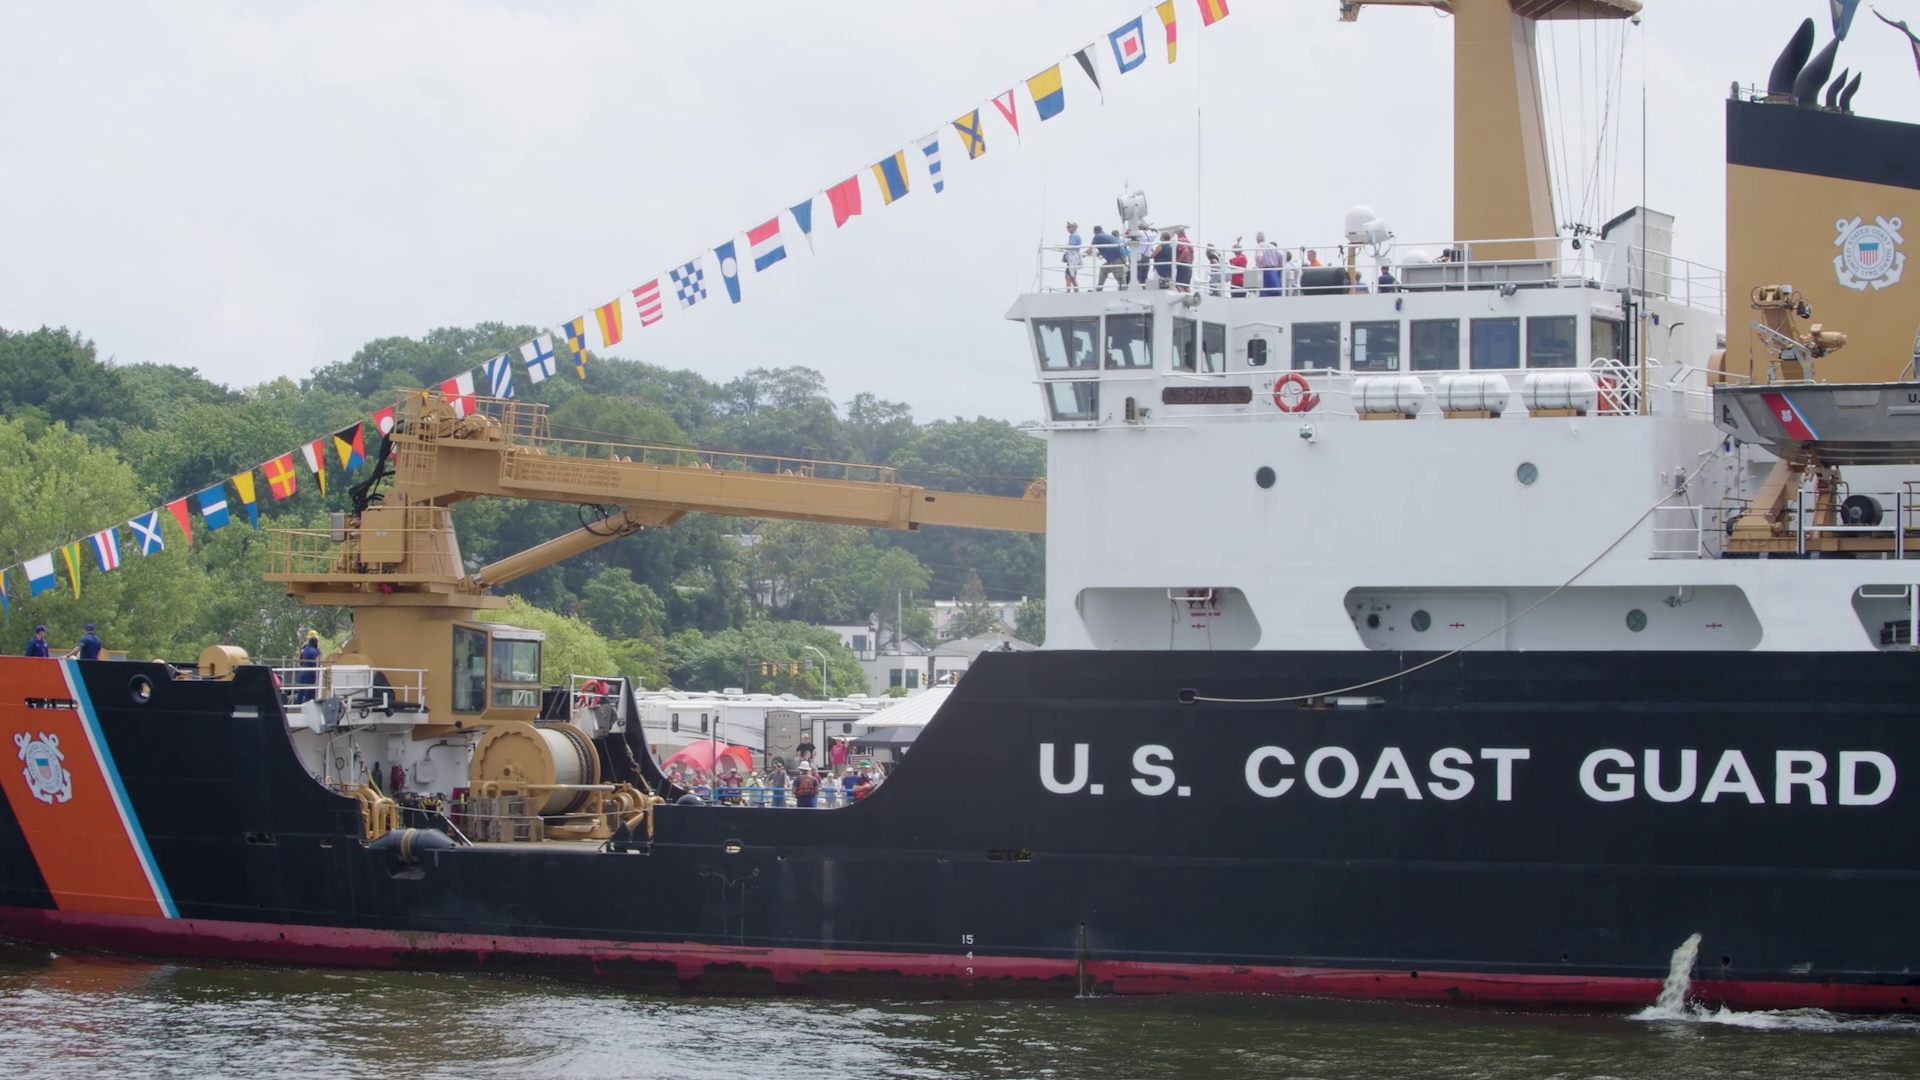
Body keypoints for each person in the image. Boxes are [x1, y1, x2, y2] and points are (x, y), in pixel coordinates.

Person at [1092, 226, 1126, 290]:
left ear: (1095, 231)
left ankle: (1124, 290)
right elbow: (1101, 251)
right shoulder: (1105, 236)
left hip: (1117, 257)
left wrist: (1083, 254)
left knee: (1118, 275)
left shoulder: (1097, 237)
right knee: (1103, 269)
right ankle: (1099, 288)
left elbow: (1091, 249)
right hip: (1117, 257)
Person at [297, 634, 322, 703]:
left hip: (303, 672)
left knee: (302, 690)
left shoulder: (305, 649)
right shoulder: (313, 651)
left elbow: (301, 659)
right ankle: (307, 703)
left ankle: (299, 702)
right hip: (310, 673)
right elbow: (316, 662)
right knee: (310, 690)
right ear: (315, 643)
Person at [1062, 222, 1083, 291]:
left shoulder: (1075, 236)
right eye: (1067, 227)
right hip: (1072, 259)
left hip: (1073, 259)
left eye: (1069, 227)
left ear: (1074, 227)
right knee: (1072, 277)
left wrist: (1062, 247)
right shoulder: (1074, 235)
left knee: (1068, 276)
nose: (1068, 229)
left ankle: (1068, 292)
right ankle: (1076, 292)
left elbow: (1071, 246)